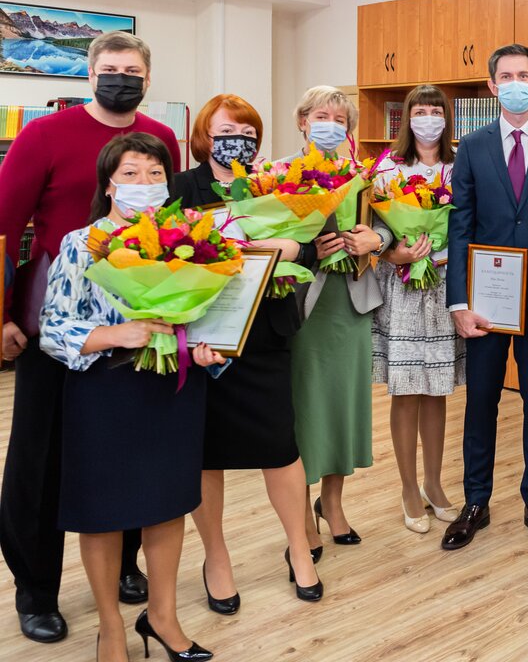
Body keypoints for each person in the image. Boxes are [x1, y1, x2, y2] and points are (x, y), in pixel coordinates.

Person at [0, 31, 179, 643]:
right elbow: (4, 225)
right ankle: (36, 588)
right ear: (90, 73)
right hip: (57, 319)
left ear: (147, 79)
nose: (120, 78)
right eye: (110, 68)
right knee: (41, 458)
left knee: (127, 447)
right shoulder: (43, 135)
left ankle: (126, 565)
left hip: (139, 319)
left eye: (132, 70)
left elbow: (168, 228)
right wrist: (1, 317)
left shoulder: (160, 138)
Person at [39, 132, 222, 662]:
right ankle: (111, 630)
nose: (145, 183)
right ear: (109, 185)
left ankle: (162, 617)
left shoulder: (192, 243)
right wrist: (117, 334)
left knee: (167, 505)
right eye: (131, 173)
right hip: (105, 391)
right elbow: (53, 328)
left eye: (155, 173)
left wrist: (208, 350)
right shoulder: (82, 244)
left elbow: (209, 312)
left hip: (172, 387)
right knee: (102, 513)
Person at [171, 94, 323, 609]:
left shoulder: (275, 183)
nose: (237, 140)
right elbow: (162, 254)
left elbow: (314, 242)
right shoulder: (181, 187)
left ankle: (299, 548)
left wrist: (294, 248)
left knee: (280, 447)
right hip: (206, 340)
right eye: (226, 131)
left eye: (247, 132)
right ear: (204, 137)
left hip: (264, 334)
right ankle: (216, 558)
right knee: (206, 454)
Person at [441, 44, 528, 551]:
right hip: (486, 303)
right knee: (482, 401)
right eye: (506, 76)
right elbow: (460, 227)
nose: (515, 82)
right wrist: (458, 303)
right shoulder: (472, 147)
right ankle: (475, 501)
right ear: (492, 85)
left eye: (524, 75)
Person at [286, 86, 382, 552]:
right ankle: (300, 516)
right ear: (303, 121)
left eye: (340, 120)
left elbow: (388, 225)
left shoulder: (362, 175)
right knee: (306, 408)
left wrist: (374, 240)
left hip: (351, 302)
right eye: (321, 116)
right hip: (305, 304)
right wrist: (306, 247)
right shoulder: (281, 174)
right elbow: (266, 233)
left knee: (344, 405)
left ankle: (333, 503)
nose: (330, 125)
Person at [372, 85, 465, 534]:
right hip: (403, 286)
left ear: (447, 117)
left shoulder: (459, 164)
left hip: (446, 285)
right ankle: (408, 487)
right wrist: (398, 255)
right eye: (420, 111)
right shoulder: (387, 167)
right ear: (407, 118)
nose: (428, 118)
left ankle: (433, 482)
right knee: (406, 390)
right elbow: (374, 229)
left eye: (436, 111)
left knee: (437, 391)